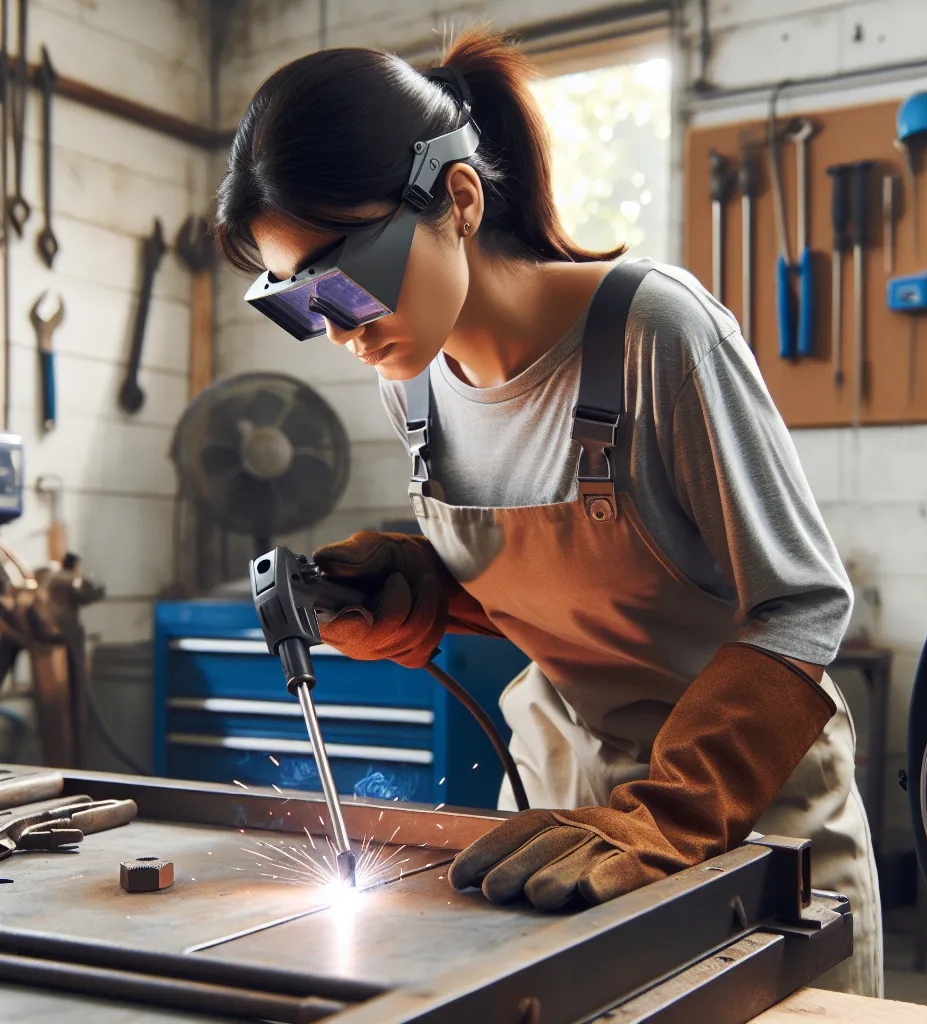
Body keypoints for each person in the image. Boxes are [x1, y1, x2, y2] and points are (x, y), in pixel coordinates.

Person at [213, 27, 882, 996]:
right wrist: (429, 591)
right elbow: (585, 597)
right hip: (560, 817)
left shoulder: (654, 332)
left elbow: (803, 603)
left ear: (459, 200)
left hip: (747, 819)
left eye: (347, 278)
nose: (341, 329)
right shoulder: (411, 381)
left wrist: (670, 815)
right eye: (304, 303)